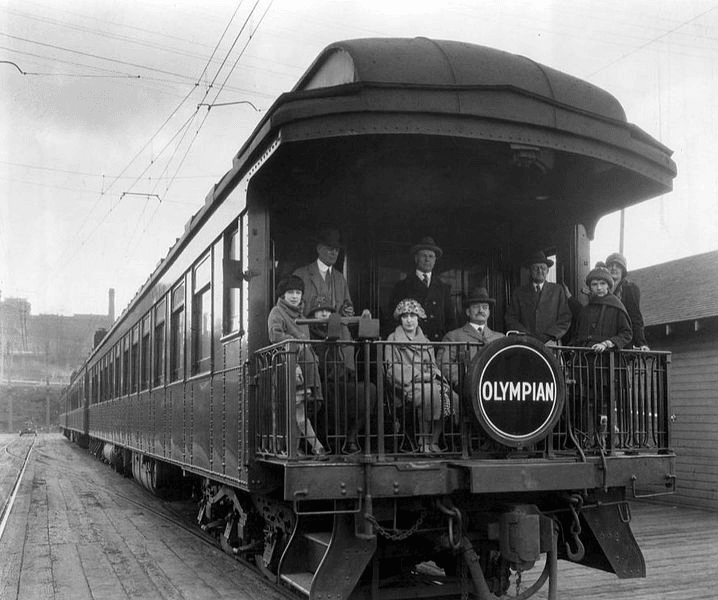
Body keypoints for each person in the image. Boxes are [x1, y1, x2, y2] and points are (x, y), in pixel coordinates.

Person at [385, 298, 458, 454]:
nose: (409, 320)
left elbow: (433, 366)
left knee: (451, 396)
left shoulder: (426, 340)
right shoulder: (393, 339)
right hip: (406, 385)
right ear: (400, 319)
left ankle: (434, 440)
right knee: (430, 394)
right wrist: (420, 376)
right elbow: (392, 369)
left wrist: (435, 375)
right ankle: (423, 441)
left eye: (413, 315)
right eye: (405, 316)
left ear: (418, 318)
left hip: (428, 381)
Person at [267, 275, 328, 458]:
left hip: (306, 368)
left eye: (298, 292)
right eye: (290, 292)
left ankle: (293, 449)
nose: (295, 296)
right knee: (297, 412)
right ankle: (316, 448)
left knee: (298, 412)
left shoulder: (301, 316)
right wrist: (298, 344)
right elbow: (275, 336)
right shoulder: (276, 312)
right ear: (283, 295)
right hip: (289, 367)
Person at [307, 296, 377, 454]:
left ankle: (351, 437)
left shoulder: (340, 328)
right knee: (327, 395)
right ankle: (331, 441)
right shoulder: (308, 331)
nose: (324, 314)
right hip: (319, 379)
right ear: (313, 315)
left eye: (328, 311)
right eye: (320, 311)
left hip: (341, 377)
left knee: (368, 391)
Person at [390, 236, 455, 342]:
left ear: (435, 260)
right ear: (416, 258)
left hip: (438, 345)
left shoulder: (443, 289)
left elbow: (451, 321)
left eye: (431, 256)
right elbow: (394, 319)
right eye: (424, 256)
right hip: (412, 346)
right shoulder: (402, 287)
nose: (427, 259)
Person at [437, 288, 504, 389]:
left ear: (489, 312)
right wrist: (466, 381)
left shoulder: (500, 338)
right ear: (468, 312)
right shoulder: (453, 337)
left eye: (485, 307)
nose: (481, 310)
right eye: (476, 307)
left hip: (495, 390)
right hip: (466, 391)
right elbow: (445, 365)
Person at [505, 251, 572, 345]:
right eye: (535, 268)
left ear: (548, 271)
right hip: (525, 342)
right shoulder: (519, 293)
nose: (540, 271)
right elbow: (510, 318)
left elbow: (565, 317)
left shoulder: (557, 290)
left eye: (543, 268)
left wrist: (550, 335)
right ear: (529, 271)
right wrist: (525, 335)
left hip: (551, 342)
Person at [293, 227, 354, 318]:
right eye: (330, 248)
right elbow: (291, 309)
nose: (334, 253)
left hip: (334, 330)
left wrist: (348, 311)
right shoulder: (301, 275)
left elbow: (348, 308)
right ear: (319, 249)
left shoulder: (340, 278)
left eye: (337, 250)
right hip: (307, 330)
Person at [570, 265, 632, 351]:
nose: (599, 288)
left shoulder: (617, 307)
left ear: (608, 286)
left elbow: (626, 334)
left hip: (608, 359)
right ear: (590, 287)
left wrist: (606, 344)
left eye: (602, 283)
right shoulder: (585, 310)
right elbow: (576, 336)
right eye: (594, 284)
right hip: (585, 359)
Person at [605, 252, 649, 350]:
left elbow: (635, 317)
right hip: (604, 342)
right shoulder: (601, 290)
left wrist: (641, 343)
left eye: (618, 266)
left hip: (623, 341)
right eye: (611, 265)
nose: (613, 268)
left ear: (623, 270)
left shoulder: (630, 289)